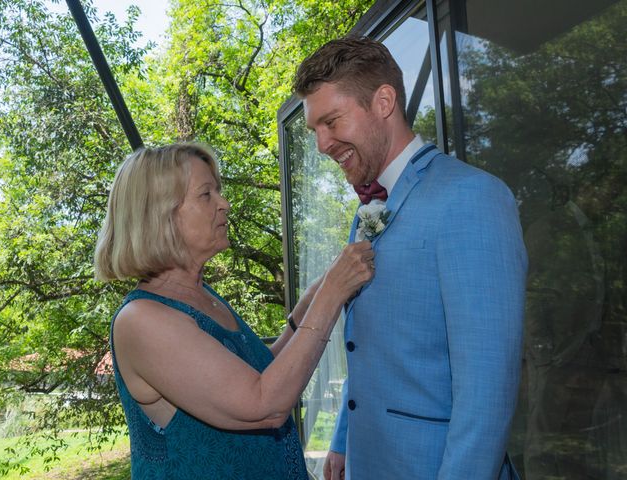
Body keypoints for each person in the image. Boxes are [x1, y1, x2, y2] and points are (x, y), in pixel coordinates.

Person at [292, 37, 528, 479]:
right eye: (314, 130)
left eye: (331, 121)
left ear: (383, 102)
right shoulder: (366, 213)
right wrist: (344, 439)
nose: (322, 144)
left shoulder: (472, 197)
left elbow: (487, 393)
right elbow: (367, 349)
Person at [93, 142, 374, 479]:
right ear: (161, 214)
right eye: (206, 194)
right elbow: (264, 405)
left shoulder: (202, 297)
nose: (224, 204)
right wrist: (331, 296)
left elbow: (258, 375)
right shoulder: (142, 321)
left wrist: (305, 311)